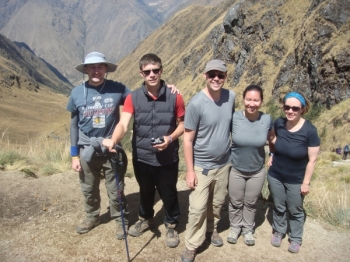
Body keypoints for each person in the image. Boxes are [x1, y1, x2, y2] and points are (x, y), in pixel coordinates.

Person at [67, 52, 178, 240]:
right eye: (92, 67)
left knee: (116, 188)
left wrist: (166, 88)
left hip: (111, 148)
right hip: (87, 148)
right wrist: (74, 155)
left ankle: (121, 221)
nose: (96, 70)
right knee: (88, 187)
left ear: (106, 69)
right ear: (85, 69)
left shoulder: (118, 89)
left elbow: (144, 94)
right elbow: (73, 125)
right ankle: (92, 217)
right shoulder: (76, 93)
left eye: (100, 67)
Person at [102, 53, 185, 248]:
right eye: (147, 71)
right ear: (141, 74)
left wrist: (170, 138)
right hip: (142, 156)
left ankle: (171, 224)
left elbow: (183, 124)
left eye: (156, 70)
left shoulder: (175, 96)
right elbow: (124, 123)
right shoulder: (133, 98)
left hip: (167, 156)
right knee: (145, 190)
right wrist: (114, 139)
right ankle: (146, 218)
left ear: (161, 70)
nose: (152, 74)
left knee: (169, 191)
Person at [181, 60, 236, 262]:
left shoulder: (231, 97)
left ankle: (212, 230)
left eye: (220, 75)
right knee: (197, 208)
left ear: (225, 77)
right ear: (205, 75)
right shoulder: (196, 104)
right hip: (202, 165)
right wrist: (190, 171)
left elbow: (229, 127)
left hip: (224, 163)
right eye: (212, 74)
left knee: (217, 203)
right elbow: (187, 140)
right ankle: (192, 244)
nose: (216, 79)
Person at [267, 91, 320, 253]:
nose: (290, 111)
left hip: (296, 178)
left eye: (295, 108)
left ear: (303, 109)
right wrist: (272, 154)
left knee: (295, 209)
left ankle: (296, 237)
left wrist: (306, 182)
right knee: (278, 205)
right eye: (287, 107)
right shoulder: (279, 123)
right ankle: (279, 231)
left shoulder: (310, 131)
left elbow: (312, 160)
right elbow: (272, 139)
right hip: (275, 174)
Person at [227, 85, 275, 246]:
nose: (252, 104)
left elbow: (272, 138)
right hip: (236, 168)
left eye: (256, 100)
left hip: (257, 170)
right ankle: (235, 227)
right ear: (243, 99)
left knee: (251, 202)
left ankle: (247, 229)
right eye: (249, 99)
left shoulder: (267, 119)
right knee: (235, 201)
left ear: (261, 101)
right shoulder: (234, 118)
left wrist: (272, 154)